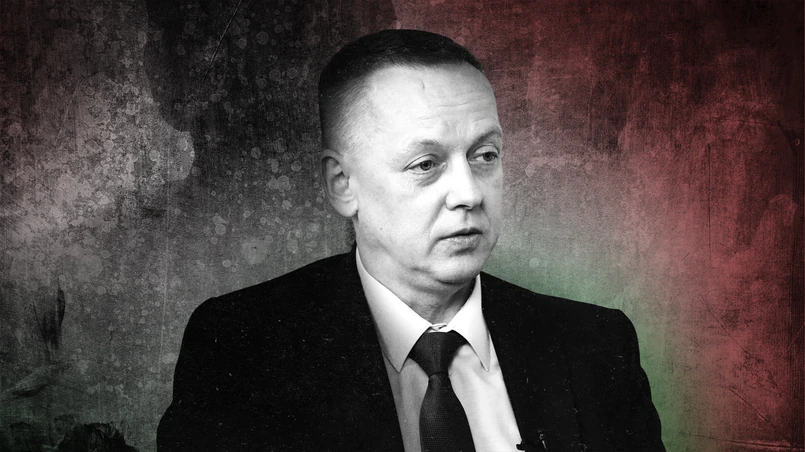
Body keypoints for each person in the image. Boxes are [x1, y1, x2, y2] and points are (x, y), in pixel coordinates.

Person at [157, 29, 664, 452]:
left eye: (485, 155)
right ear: (343, 184)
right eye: (426, 164)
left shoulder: (597, 345)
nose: (469, 194)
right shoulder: (244, 347)